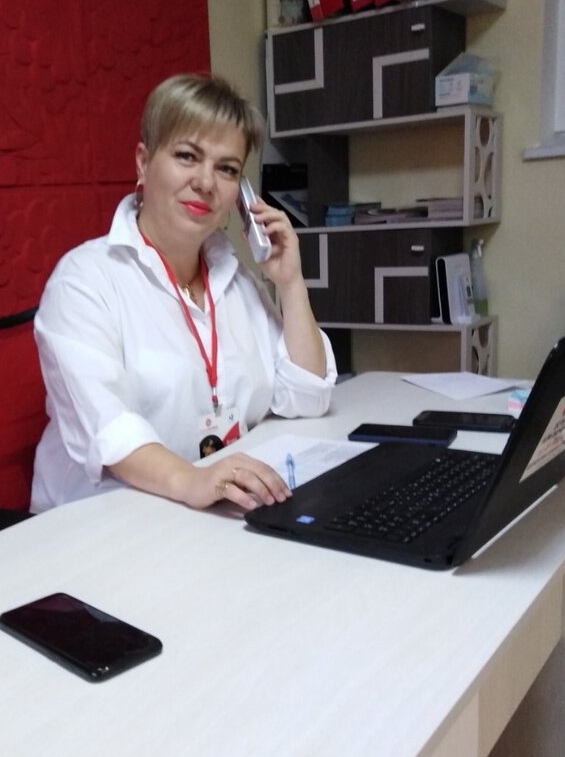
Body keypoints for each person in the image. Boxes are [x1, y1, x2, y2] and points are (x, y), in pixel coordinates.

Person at [30, 73, 337, 513]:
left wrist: (290, 282)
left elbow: (308, 397)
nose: (206, 182)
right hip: (103, 517)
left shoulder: (235, 279)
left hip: (209, 508)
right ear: (143, 162)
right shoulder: (83, 281)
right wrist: (194, 481)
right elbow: (110, 431)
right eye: (187, 156)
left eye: (227, 169)